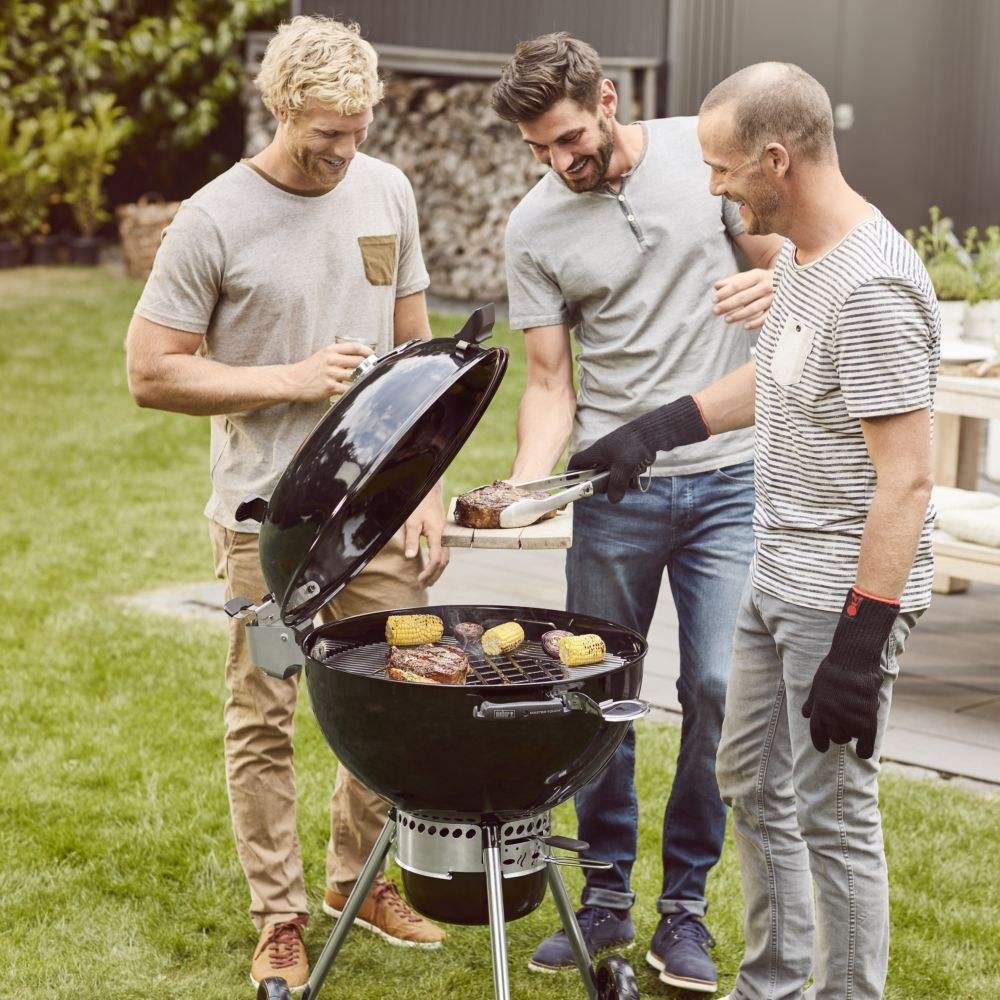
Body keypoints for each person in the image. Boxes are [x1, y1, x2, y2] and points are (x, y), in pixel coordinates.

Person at [575, 62, 939, 1000]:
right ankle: (770, 982)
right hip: (773, 576)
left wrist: (862, 639)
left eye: (725, 168)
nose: (714, 188)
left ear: (778, 159)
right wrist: (658, 430)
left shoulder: (874, 286)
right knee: (750, 780)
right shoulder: (804, 262)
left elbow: (907, 477)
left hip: (838, 599)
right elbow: (775, 380)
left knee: (834, 810)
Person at [125, 16, 449, 991]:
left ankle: (361, 882)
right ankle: (278, 917)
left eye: (355, 131)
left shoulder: (384, 188)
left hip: (372, 514)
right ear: (277, 107)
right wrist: (293, 377)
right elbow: (150, 372)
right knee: (264, 715)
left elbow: (416, 348)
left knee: (391, 701)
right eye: (322, 134)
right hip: (263, 525)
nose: (341, 153)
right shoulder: (213, 219)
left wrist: (425, 484)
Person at [491, 33, 784, 993]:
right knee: (597, 691)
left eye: (571, 139)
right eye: (540, 151)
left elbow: (797, 267)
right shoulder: (534, 228)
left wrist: (775, 281)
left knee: (714, 687)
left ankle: (685, 910)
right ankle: (606, 893)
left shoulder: (707, 163)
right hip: (615, 492)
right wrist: (530, 487)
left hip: (729, 481)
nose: (560, 164)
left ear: (608, 99)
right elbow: (547, 382)